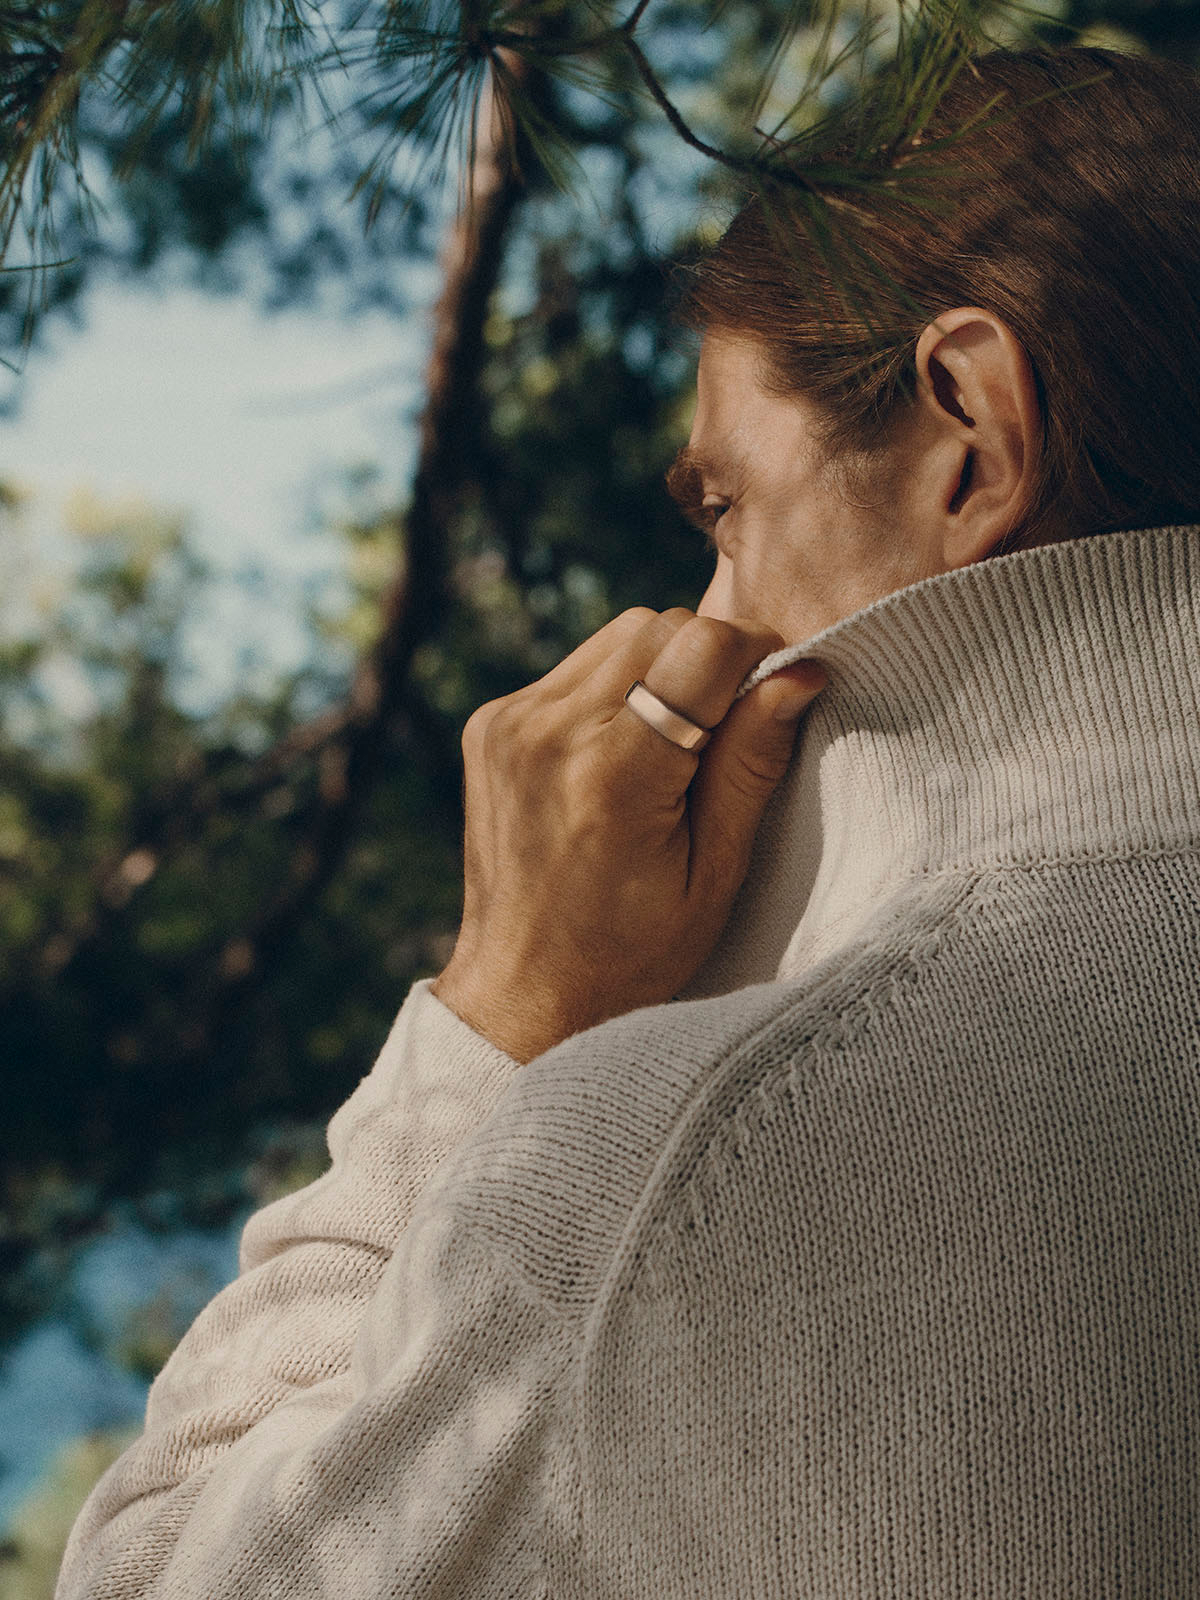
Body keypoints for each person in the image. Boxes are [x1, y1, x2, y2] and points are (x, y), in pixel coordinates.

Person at [58, 44, 1200, 1599]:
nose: (703, 617)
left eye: (726, 507)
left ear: (969, 436)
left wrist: (498, 1017)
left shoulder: (667, 1170)